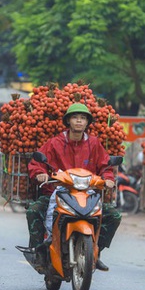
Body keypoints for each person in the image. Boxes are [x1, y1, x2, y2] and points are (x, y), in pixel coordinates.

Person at [27, 103, 121, 271]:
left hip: (87, 194)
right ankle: (39, 252)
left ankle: (96, 251)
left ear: (87, 123)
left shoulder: (94, 144)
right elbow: (36, 164)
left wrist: (108, 179)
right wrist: (40, 173)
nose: (79, 121)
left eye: (83, 118)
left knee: (114, 215)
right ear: (68, 121)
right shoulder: (55, 143)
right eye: (75, 118)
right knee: (34, 210)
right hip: (57, 192)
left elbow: (105, 166)